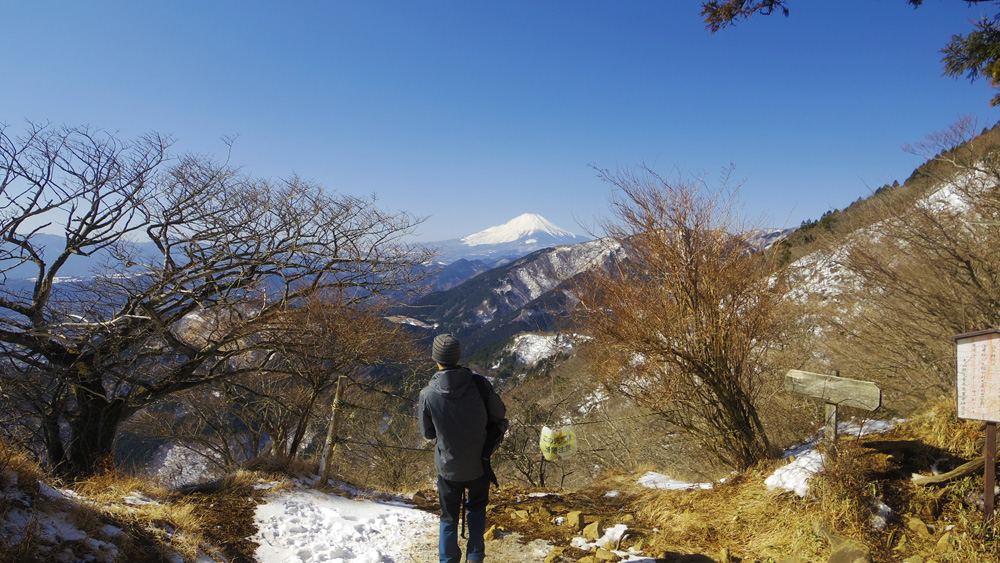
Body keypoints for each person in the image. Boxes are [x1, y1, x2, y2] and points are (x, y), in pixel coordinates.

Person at [418, 334, 506, 563]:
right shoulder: (479, 384)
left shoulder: (427, 394)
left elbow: (428, 434)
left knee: (448, 516)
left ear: (435, 358)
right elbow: (499, 414)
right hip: (479, 465)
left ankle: (448, 559)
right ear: (459, 356)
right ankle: (475, 556)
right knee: (476, 510)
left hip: (448, 468)